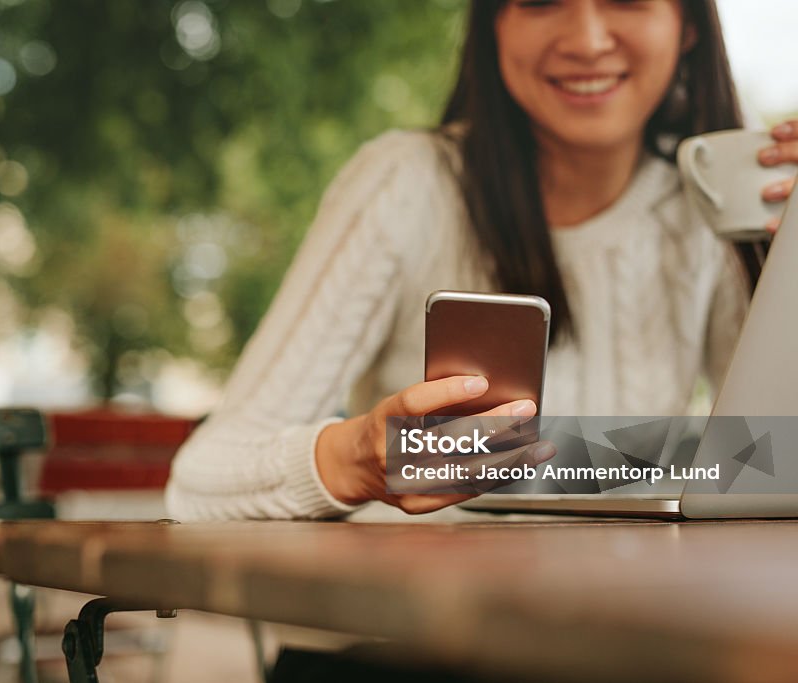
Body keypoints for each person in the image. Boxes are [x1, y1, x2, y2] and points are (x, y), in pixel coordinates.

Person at [165, 0, 796, 522]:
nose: (586, 38)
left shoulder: (711, 211)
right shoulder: (405, 185)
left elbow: (777, 457)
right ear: (491, 24)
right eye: (542, 1)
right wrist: (357, 458)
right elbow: (199, 484)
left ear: (687, 25)